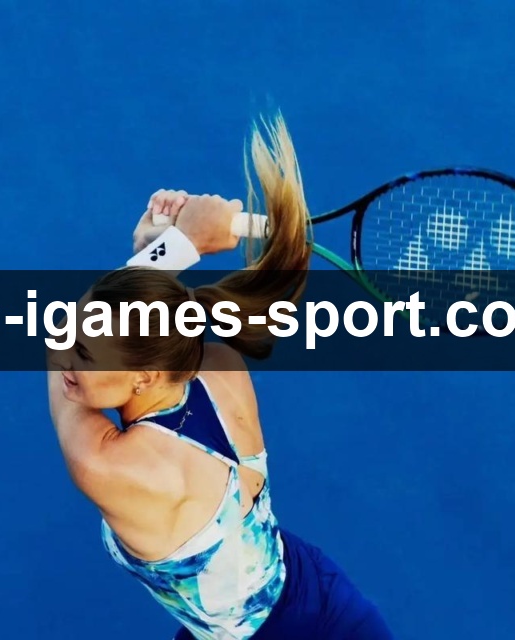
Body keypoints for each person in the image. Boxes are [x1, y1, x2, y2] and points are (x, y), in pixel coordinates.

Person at [48, 115, 394, 639]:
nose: (68, 358)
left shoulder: (112, 466)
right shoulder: (217, 366)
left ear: (146, 375)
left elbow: (51, 346)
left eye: (85, 354)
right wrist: (157, 256)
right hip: (324, 599)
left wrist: (177, 248)